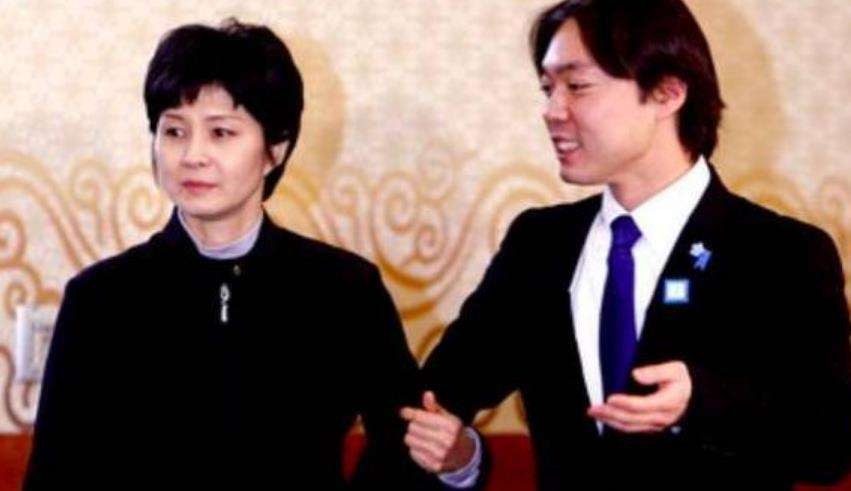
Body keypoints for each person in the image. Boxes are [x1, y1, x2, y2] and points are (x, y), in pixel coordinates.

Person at [401, 0, 851, 489]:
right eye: (548, 89)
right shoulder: (540, 244)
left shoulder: (781, 253)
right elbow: (435, 403)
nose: (552, 111)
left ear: (667, 92)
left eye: (577, 86)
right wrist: (462, 458)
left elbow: (828, 447)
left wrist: (701, 401)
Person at [25, 19, 436, 490]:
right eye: (174, 131)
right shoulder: (100, 299)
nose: (192, 155)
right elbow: (54, 476)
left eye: (221, 133)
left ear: (275, 148)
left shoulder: (345, 289)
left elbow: (408, 447)